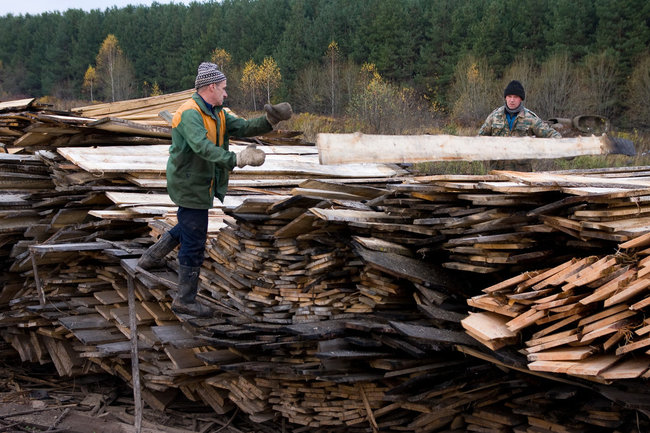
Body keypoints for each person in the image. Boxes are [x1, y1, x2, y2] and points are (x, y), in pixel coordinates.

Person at [137, 62, 292, 317]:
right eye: (223, 88)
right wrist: (237, 160)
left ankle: (150, 258)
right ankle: (184, 300)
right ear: (211, 87)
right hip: (189, 183)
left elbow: (242, 127)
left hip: (202, 181)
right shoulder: (190, 114)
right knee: (195, 241)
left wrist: (269, 120)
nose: (226, 93)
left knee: (188, 225)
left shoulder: (217, 111)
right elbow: (202, 147)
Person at [479, 80, 561, 138]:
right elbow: (480, 138)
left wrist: (566, 147)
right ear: (505, 98)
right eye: (509, 96)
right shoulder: (494, 116)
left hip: (521, 162)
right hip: (497, 161)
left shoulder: (530, 118)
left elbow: (550, 134)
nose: (512, 100)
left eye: (515, 97)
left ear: (521, 99)